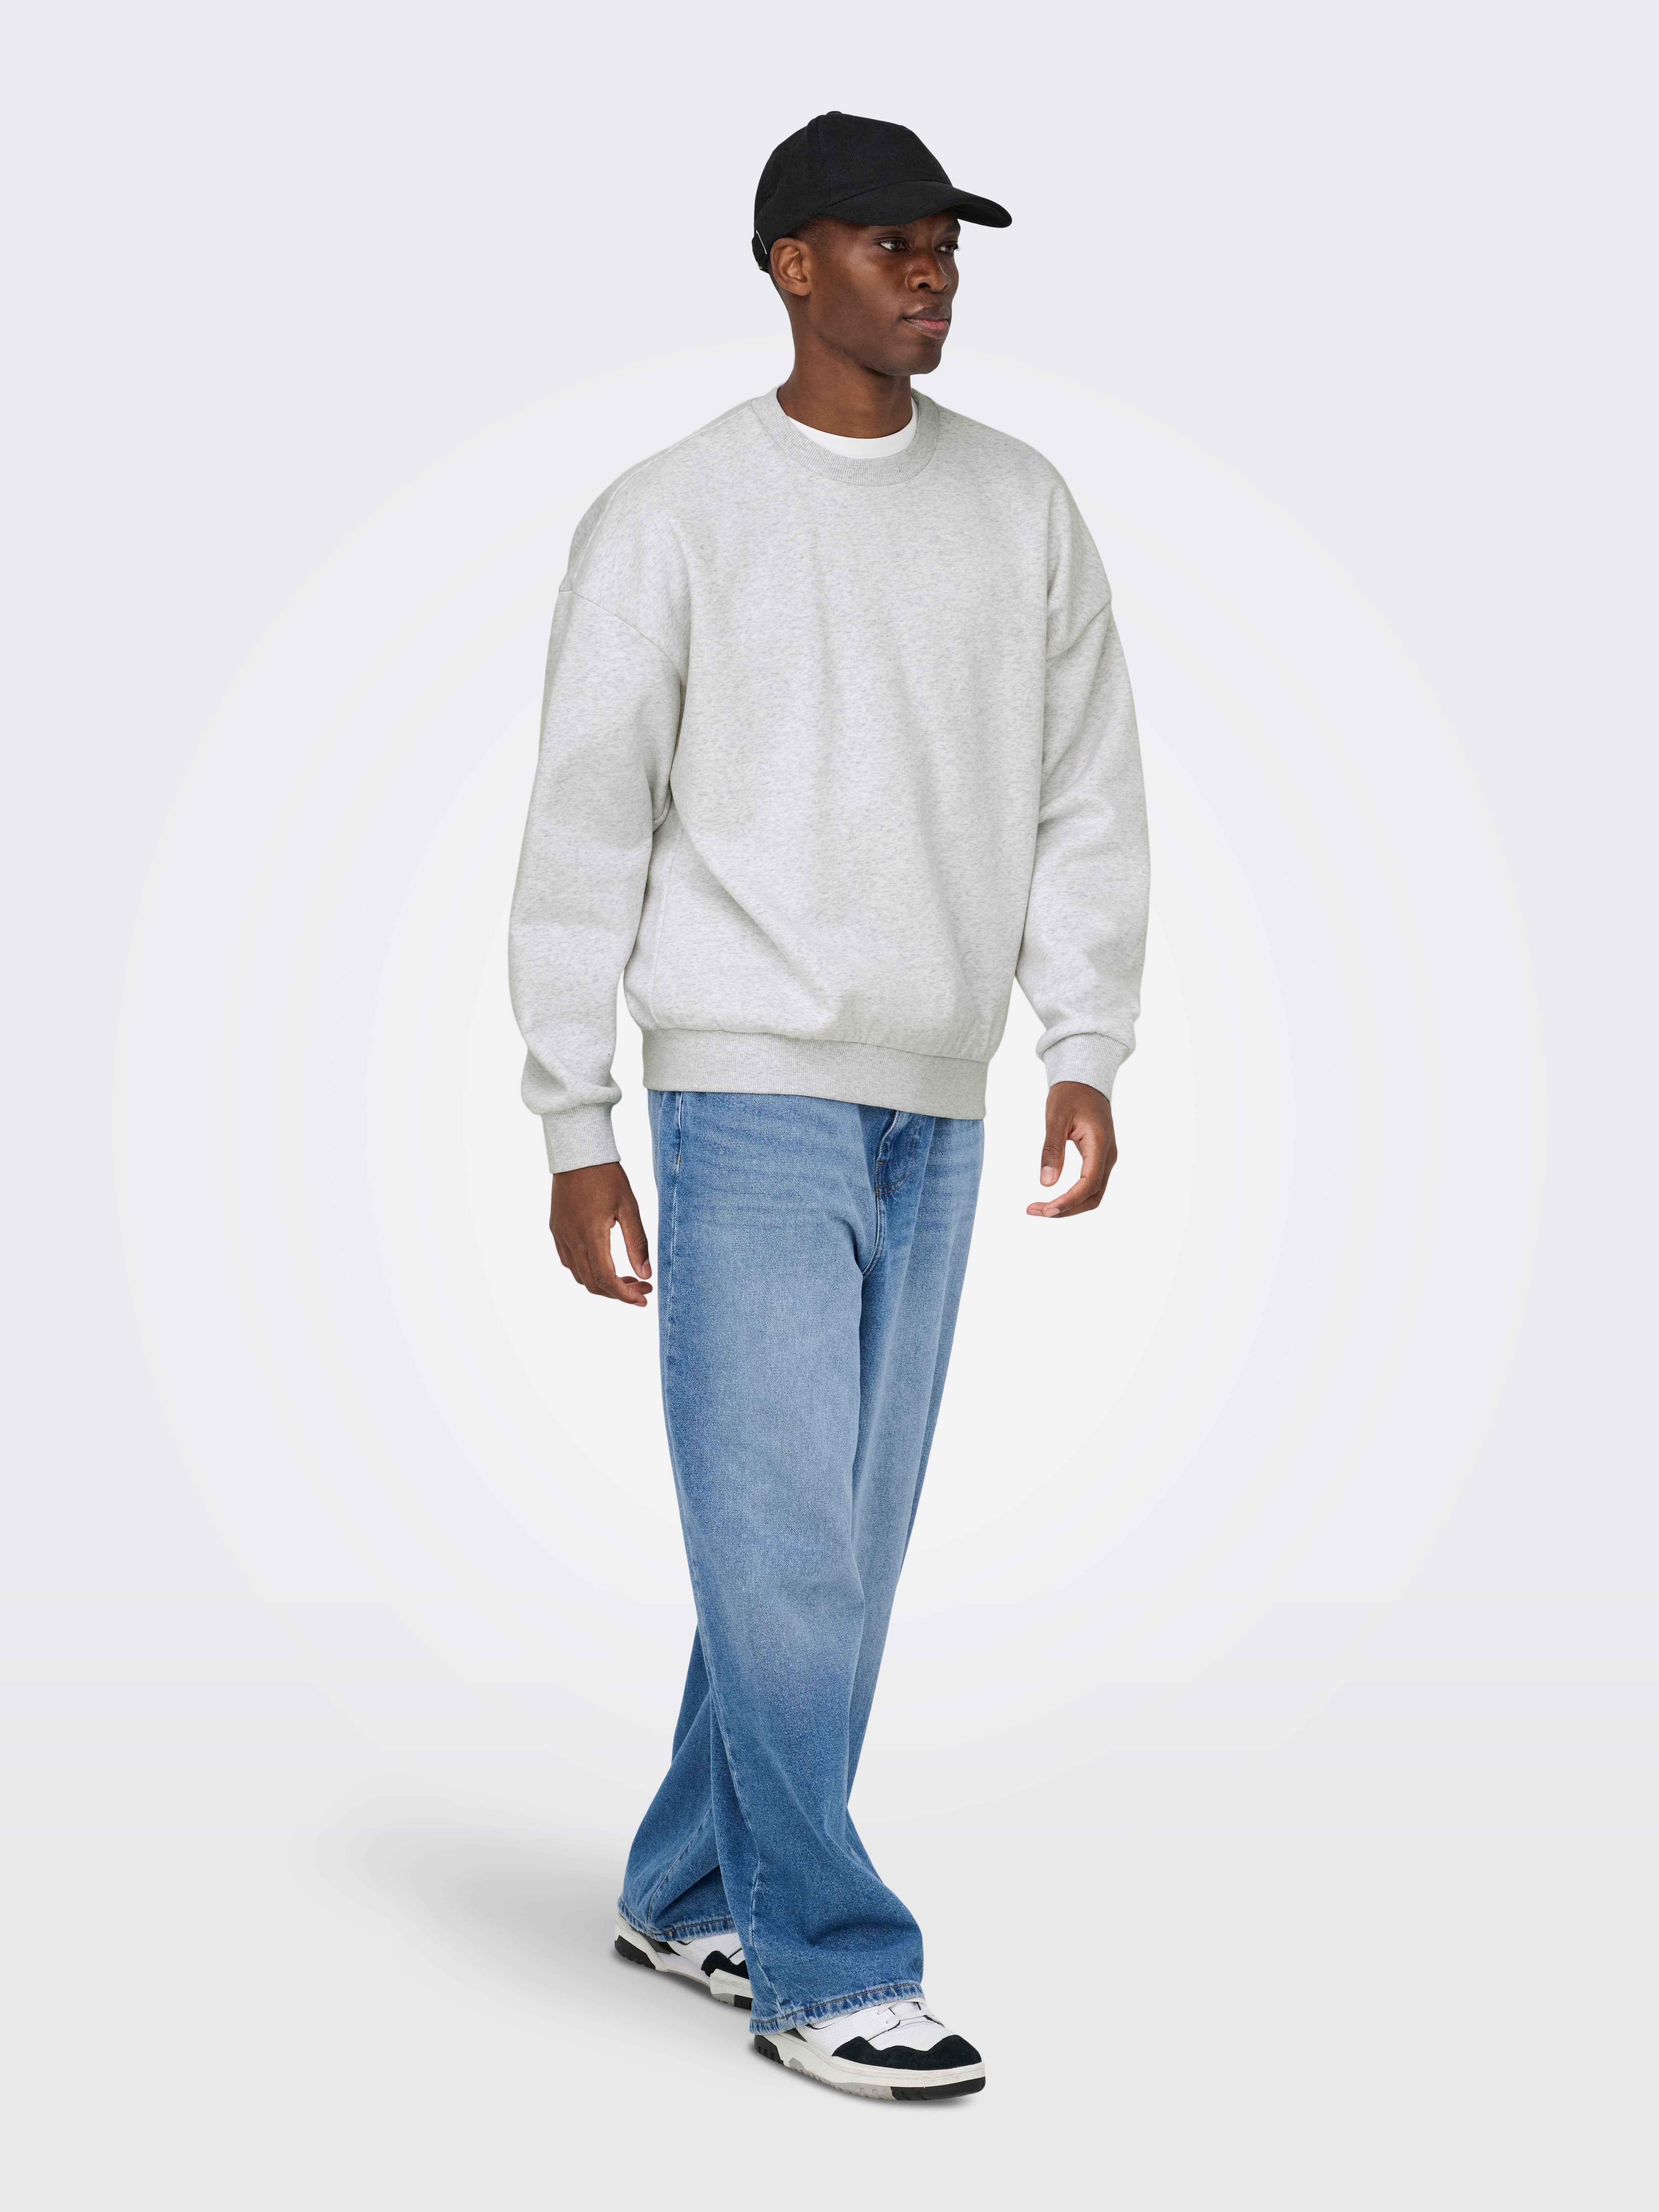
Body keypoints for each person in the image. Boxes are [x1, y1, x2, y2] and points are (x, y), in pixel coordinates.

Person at [508, 110, 1150, 2101]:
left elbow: (1087, 792)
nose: (931, 270)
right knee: (785, 1544)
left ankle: (688, 1884)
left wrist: (1084, 1040)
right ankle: (832, 1966)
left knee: (831, 1550)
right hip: (744, 1100)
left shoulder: (1022, 507)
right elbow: (585, 822)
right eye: (888, 241)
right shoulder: (674, 515)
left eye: (947, 242)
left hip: (937, 1100)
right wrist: (574, 1123)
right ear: (791, 264)